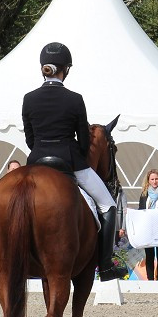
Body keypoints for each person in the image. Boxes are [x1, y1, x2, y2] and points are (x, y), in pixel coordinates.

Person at [21, 42, 121, 281]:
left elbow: (30, 139)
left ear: (43, 68)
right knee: (108, 206)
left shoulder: (29, 98)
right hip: (69, 161)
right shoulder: (75, 99)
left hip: (36, 161)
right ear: (65, 69)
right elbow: (85, 141)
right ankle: (106, 266)